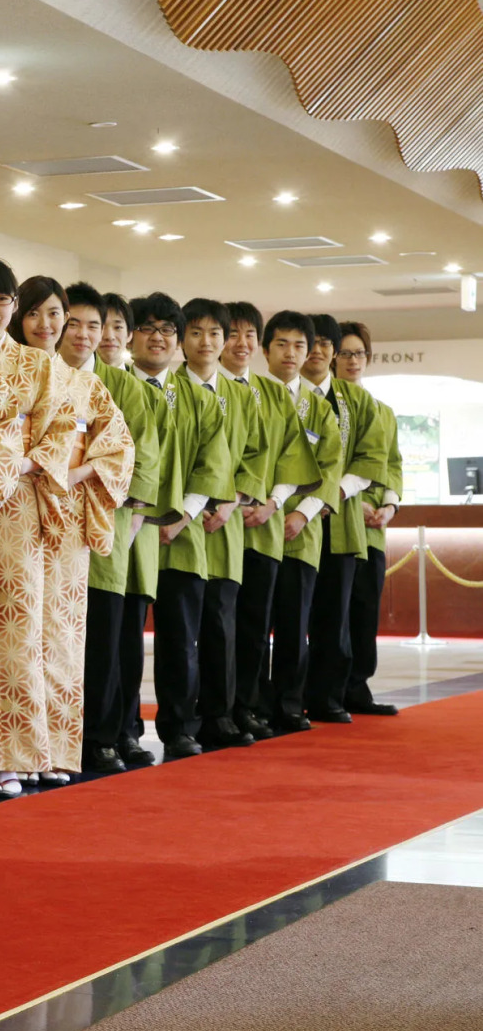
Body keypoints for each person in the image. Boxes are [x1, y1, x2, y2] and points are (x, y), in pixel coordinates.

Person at [0, 259, 76, 796]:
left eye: (0, 299)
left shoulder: (40, 369)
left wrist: (1, 461)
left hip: (18, 509)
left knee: (17, 632)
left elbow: (54, 441)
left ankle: (11, 754)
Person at [14, 278, 133, 784]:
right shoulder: (4, 373)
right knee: (13, 634)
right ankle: (11, 756)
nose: (51, 325)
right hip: (12, 511)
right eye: (37, 314)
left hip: (67, 523)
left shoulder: (89, 386)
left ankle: (59, 752)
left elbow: (119, 449)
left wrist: (75, 473)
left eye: (57, 315)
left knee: (62, 638)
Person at [121, 293, 230, 762]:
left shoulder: (196, 397)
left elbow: (213, 461)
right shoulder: (116, 387)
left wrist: (182, 515)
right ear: (131, 336)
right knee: (123, 641)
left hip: (183, 538)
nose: (158, 338)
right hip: (128, 534)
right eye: (148, 328)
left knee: (181, 641)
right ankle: (124, 729)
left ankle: (180, 728)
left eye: (168, 330)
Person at [63, 283, 159, 775]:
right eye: (73, 322)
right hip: (46, 531)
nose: (84, 334)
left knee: (104, 640)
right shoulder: (44, 376)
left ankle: (101, 737)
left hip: (105, 532)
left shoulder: (126, 390)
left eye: (93, 325)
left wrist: (129, 516)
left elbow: (140, 462)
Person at [220, 302, 318, 742]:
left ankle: (248, 707)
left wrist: (274, 504)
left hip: (262, 528)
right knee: (218, 629)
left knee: (256, 628)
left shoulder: (271, 392)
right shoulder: (201, 388)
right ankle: (217, 710)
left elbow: (290, 458)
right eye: (232, 334)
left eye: (248, 335)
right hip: (216, 527)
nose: (240, 344)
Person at [175, 299, 261, 752]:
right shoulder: (167, 389)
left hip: (223, 527)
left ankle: (220, 715)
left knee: (222, 626)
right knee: (181, 631)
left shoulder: (243, 397)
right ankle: (181, 721)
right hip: (181, 529)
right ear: (181, 339)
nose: (205, 343)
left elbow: (255, 456)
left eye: (215, 334)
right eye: (195, 333)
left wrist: (231, 501)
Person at [301, 314, 392, 722]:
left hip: (341, 521)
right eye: (313, 343)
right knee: (293, 615)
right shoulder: (285, 395)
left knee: (338, 616)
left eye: (329, 344)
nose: (321, 351)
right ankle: (287, 696)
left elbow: (377, 459)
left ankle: (333, 694)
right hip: (292, 522)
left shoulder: (360, 404)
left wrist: (336, 493)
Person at [261, 312, 344, 733]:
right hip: (255, 528)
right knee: (254, 623)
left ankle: (289, 705)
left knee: (294, 625)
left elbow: (331, 469)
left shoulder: (319, 409)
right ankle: (254, 704)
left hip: (300, 532)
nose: (290, 353)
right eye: (281, 344)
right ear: (265, 349)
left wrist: (300, 513)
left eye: (299, 345)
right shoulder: (251, 396)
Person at [336, 321, 402, 715]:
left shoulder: (383, 410)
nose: (352, 360)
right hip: (341, 519)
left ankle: (359, 686)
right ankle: (331, 687)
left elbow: (393, 464)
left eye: (359, 353)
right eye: (345, 353)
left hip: (373, 529)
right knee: (335, 611)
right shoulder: (329, 406)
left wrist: (390, 505)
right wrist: (351, 501)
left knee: (364, 609)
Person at [97, 292, 134, 369]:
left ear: (129, 334)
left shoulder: (137, 380)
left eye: (118, 327)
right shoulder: (75, 378)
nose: (109, 336)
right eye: (101, 327)